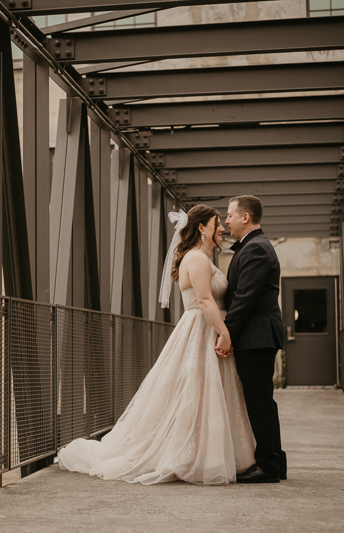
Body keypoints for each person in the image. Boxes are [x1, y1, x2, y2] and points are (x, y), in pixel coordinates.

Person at [57, 205, 255, 485]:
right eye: (217, 222)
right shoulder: (197, 259)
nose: (222, 227)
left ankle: (207, 453)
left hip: (207, 329)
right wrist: (224, 333)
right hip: (202, 330)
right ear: (202, 228)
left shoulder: (200, 258)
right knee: (196, 391)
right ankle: (192, 455)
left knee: (204, 393)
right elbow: (205, 301)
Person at [217, 195, 287, 483]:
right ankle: (275, 462)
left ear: (245, 217)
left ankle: (268, 465)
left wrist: (226, 334)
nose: (226, 220)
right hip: (256, 337)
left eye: (230, 215)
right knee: (262, 401)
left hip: (256, 338)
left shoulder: (256, 249)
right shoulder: (254, 246)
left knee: (259, 401)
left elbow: (244, 299)